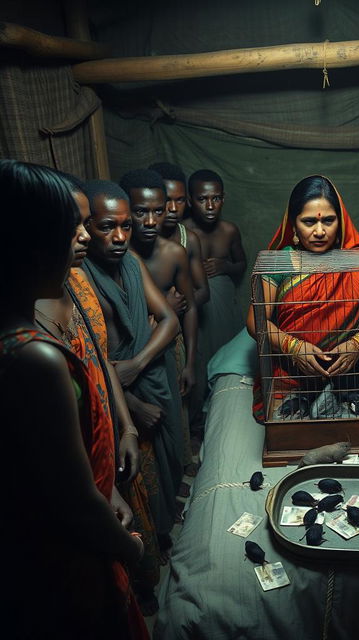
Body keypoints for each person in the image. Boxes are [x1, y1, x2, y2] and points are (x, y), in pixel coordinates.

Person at [0, 160, 148, 638]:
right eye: (72, 231)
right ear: (33, 244)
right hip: (62, 556)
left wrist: (106, 484)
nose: (81, 240)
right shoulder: (34, 358)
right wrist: (128, 550)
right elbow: (73, 501)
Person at [36, 173, 162, 614]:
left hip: (109, 444)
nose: (87, 236)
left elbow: (100, 356)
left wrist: (125, 426)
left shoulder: (75, 281)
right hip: (81, 489)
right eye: (77, 224)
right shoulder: (32, 343)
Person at [247, 175, 359, 422]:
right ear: (294, 225)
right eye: (309, 222)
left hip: (352, 371)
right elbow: (256, 321)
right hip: (292, 373)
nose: (319, 231)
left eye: (328, 221)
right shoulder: (279, 262)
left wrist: (358, 344)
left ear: (340, 222)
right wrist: (293, 347)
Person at [82, 179, 182, 563]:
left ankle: (162, 535)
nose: (122, 236)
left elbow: (169, 318)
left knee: (167, 465)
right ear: (87, 227)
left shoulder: (131, 261)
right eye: (108, 226)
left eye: (126, 225)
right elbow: (94, 361)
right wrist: (132, 405)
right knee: (136, 481)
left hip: (146, 375)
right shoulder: (81, 279)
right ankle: (145, 563)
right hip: (119, 399)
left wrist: (136, 365)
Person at [120, 168, 198, 475]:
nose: (151, 221)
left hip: (168, 347)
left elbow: (189, 308)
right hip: (127, 354)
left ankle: (177, 473)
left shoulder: (174, 253)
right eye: (141, 212)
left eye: (158, 210)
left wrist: (191, 362)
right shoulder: (117, 253)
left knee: (172, 416)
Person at [185, 169, 247, 426]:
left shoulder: (229, 231)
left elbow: (242, 264)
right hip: (197, 307)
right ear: (190, 200)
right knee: (198, 361)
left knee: (226, 359)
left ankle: (223, 418)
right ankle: (197, 423)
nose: (210, 206)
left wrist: (224, 267)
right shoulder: (183, 231)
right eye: (202, 199)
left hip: (224, 305)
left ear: (223, 198)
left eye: (216, 198)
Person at [149, 161, 209, 309]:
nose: (174, 208)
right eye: (167, 200)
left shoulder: (189, 239)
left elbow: (203, 291)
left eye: (180, 200)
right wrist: (164, 308)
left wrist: (179, 306)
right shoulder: (139, 239)